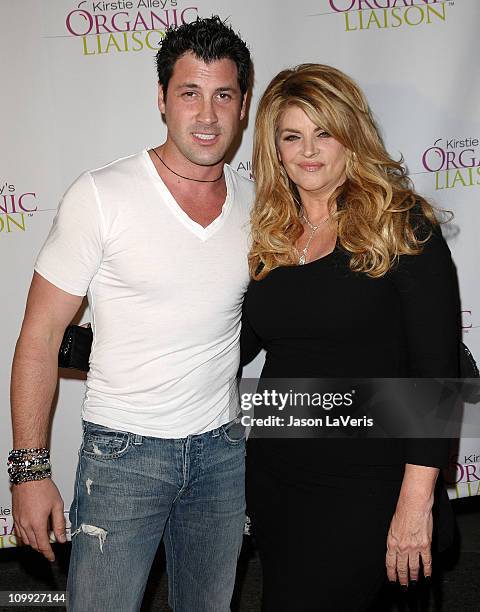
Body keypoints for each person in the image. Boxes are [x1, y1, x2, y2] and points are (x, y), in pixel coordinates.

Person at [9, 17, 253, 612]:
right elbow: (39, 337)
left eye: (223, 95)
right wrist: (28, 471)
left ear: (244, 106)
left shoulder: (258, 201)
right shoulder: (102, 195)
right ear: (162, 100)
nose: (206, 115)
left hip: (222, 453)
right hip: (123, 458)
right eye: (189, 93)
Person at [241, 64, 459, 611]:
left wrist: (416, 503)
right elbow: (227, 347)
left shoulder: (401, 224)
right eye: (292, 135)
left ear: (351, 138)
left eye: (324, 133)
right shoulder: (269, 233)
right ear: (275, 148)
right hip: (277, 476)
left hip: (371, 482)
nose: (307, 151)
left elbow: (438, 381)